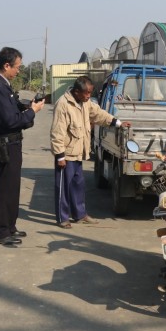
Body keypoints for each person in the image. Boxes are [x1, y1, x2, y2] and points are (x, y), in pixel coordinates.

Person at [0, 47, 45, 246]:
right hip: (4, 144)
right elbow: (9, 120)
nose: (18, 71)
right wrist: (32, 112)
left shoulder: (4, 84)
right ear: (6, 65)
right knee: (3, 187)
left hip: (13, 143)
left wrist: (26, 107)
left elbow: (12, 110)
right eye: (17, 67)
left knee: (12, 187)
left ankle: (9, 226)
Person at [50, 76, 131, 229]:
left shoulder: (85, 103)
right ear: (76, 92)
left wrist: (118, 123)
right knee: (63, 187)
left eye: (90, 93)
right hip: (66, 155)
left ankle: (80, 215)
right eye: (86, 93)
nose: (88, 96)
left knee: (78, 186)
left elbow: (99, 114)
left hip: (78, 153)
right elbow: (57, 132)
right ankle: (63, 218)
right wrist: (60, 155)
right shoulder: (63, 104)